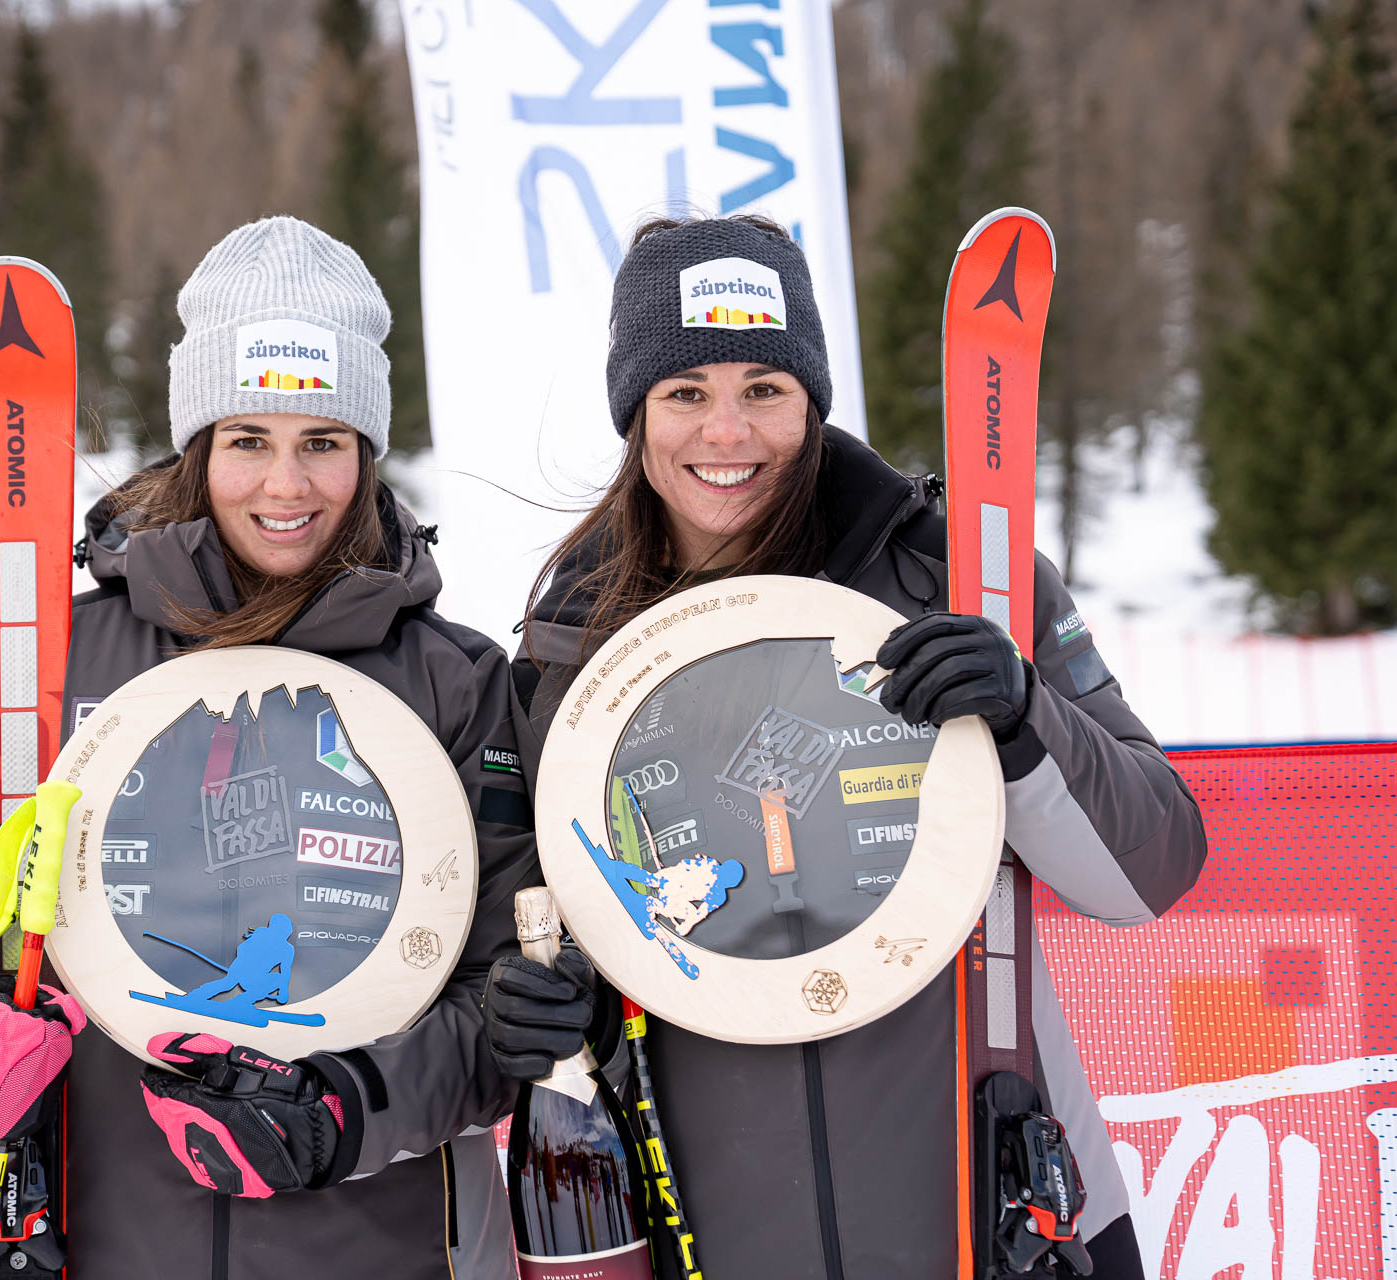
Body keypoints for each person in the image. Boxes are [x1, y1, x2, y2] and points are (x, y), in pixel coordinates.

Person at [484, 214, 1207, 1279]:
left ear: (813, 401)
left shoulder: (960, 578)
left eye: (764, 388)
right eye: (685, 392)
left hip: (992, 1215)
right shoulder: (573, 650)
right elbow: (553, 924)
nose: (727, 431)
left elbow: (1152, 871)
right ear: (636, 414)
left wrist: (1024, 719)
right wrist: (536, 995)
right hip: (722, 1227)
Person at [0, 216, 531, 1280]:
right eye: (248, 440)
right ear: (199, 449)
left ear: (366, 455)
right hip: (111, 1234)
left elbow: (506, 984)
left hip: (376, 1245)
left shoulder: (454, 680)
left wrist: (343, 1110)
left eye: (323, 442)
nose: (287, 485)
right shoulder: (69, 654)